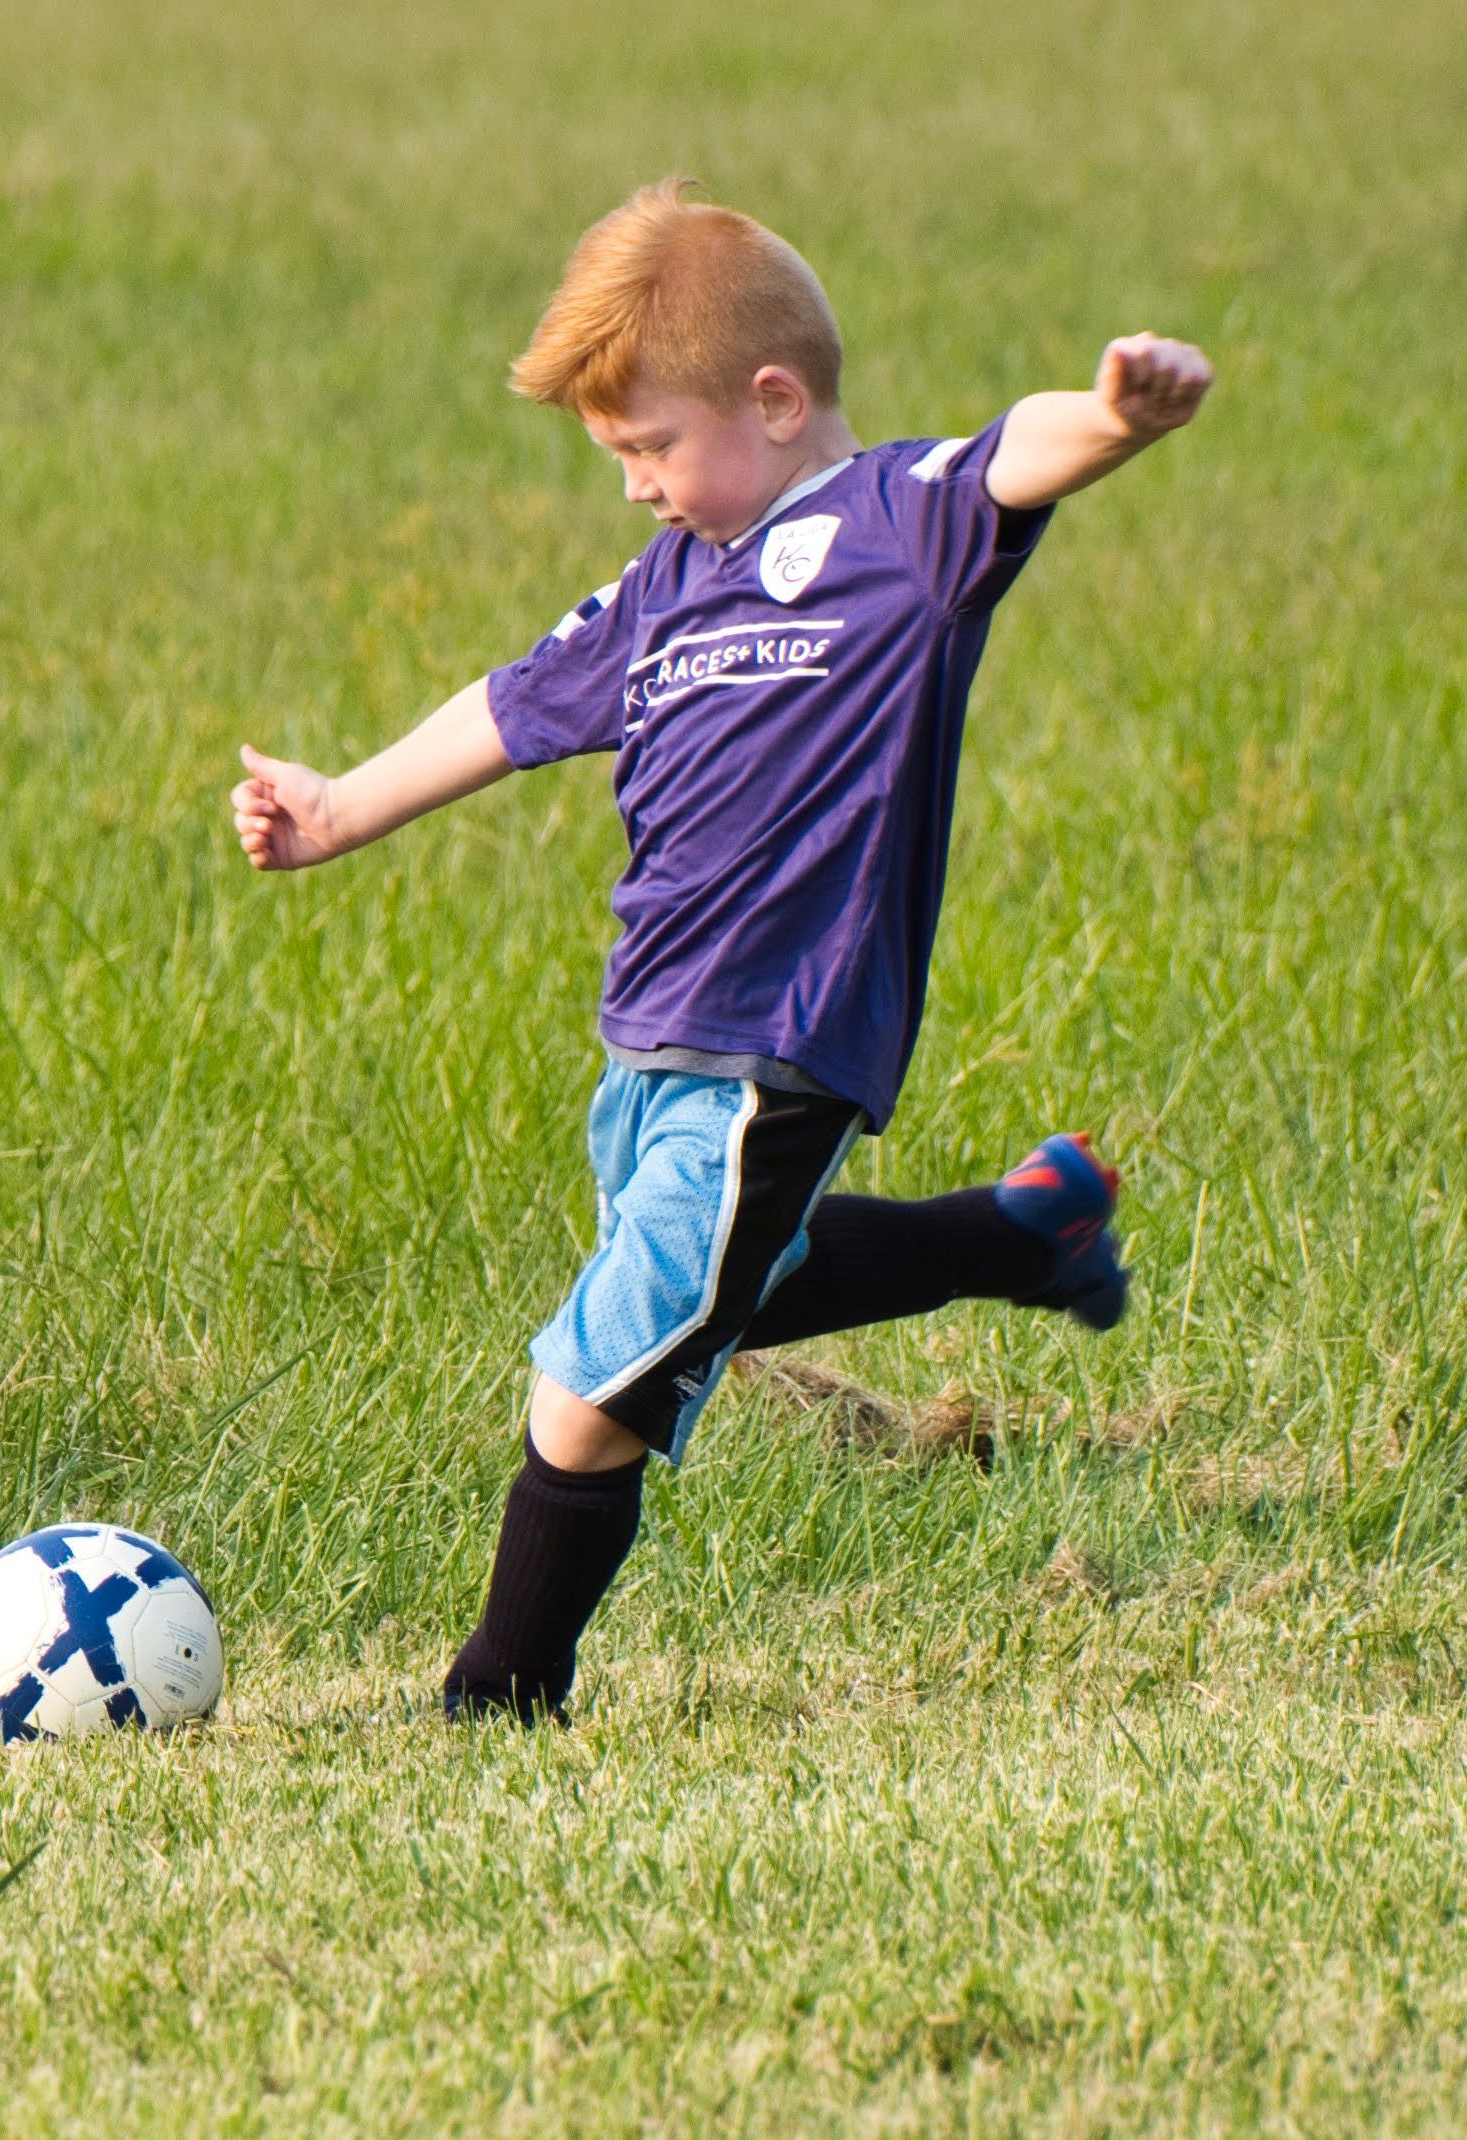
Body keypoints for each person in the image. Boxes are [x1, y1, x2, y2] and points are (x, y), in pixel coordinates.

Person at [230, 178, 1213, 1725]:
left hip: (780, 1044)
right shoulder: (666, 583)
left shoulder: (900, 525)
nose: (632, 487)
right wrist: (342, 807)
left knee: (594, 1381)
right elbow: (513, 703)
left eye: (649, 447)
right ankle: (1021, 1233)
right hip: (650, 1039)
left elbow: (1021, 454)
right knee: (728, 1286)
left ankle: (502, 1691)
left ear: (772, 399)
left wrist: (1118, 417)